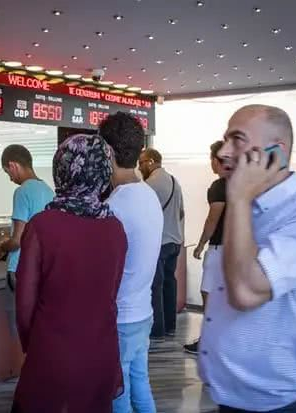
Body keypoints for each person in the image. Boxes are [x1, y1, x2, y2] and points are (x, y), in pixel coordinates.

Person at [199, 104, 296, 412]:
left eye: (237, 139)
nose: (224, 152)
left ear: (276, 152)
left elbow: (245, 291)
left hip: (282, 403)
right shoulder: (249, 210)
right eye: (225, 140)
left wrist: (238, 197)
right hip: (233, 398)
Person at [12, 134, 127, 413]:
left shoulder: (42, 226)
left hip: (53, 353)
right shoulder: (115, 228)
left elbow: (25, 304)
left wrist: (32, 344)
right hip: (101, 352)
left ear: (61, 168)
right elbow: (111, 296)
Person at [100, 112, 163, 413]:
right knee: (140, 384)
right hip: (142, 311)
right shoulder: (148, 195)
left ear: (107, 152)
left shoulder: (113, 207)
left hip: (120, 318)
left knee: (118, 395)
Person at [0, 145, 54, 291]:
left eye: (8, 172)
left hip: (21, 268)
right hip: (41, 267)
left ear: (13, 165)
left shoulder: (22, 191)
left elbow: (17, 241)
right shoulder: (49, 191)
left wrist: (1, 248)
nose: (10, 179)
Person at [184, 141, 227, 355]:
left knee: (208, 292)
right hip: (239, 249)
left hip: (220, 248)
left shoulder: (219, 186)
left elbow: (213, 219)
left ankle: (209, 340)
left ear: (217, 160)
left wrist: (200, 244)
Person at [138, 148, 184, 342]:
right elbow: (181, 213)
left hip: (160, 242)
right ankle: (170, 326)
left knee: (155, 286)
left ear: (150, 161)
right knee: (169, 283)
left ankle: (157, 330)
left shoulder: (150, 185)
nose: (139, 167)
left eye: (141, 163)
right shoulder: (175, 181)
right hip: (175, 240)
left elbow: (143, 214)